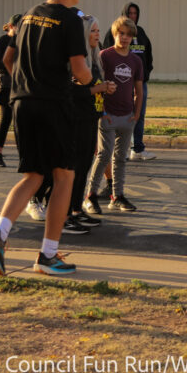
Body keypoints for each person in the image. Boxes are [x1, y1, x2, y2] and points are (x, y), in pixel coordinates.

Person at [0, 0, 92, 276]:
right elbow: (81, 71)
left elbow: (8, 58)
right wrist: (91, 82)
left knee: (33, 175)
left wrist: (25, 83)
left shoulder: (29, 15)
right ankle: (48, 255)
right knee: (64, 176)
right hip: (54, 104)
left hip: (22, 103)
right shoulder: (69, 19)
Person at [95, 16, 144, 212]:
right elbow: (97, 85)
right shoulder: (104, 56)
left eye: (128, 35)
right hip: (107, 115)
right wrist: (102, 111)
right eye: (121, 33)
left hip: (127, 116)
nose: (124, 38)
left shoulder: (136, 61)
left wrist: (137, 113)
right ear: (114, 34)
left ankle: (117, 196)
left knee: (120, 159)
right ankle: (90, 195)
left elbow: (139, 90)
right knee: (103, 155)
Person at [69, 14, 110, 228]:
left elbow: (94, 85)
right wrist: (98, 88)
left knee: (85, 165)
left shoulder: (95, 56)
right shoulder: (77, 58)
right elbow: (74, 91)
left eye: (98, 30)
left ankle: (77, 208)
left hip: (92, 117)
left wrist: (105, 88)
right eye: (93, 31)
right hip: (77, 118)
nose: (97, 34)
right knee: (75, 166)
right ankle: (67, 212)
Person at [102, 2, 155, 160]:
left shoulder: (141, 33)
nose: (132, 16)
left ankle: (137, 148)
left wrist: (146, 73)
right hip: (119, 81)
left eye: (135, 14)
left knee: (138, 114)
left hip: (139, 81)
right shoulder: (113, 33)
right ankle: (118, 149)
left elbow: (148, 55)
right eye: (130, 13)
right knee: (118, 114)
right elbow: (105, 56)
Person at [0, 14, 20, 169]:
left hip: (20, 86)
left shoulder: (22, 41)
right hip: (6, 85)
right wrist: (11, 62)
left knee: (20, 121)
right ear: (11, 26)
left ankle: (23, 154)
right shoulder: (1, 41)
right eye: (19, 26)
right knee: (5, 119)